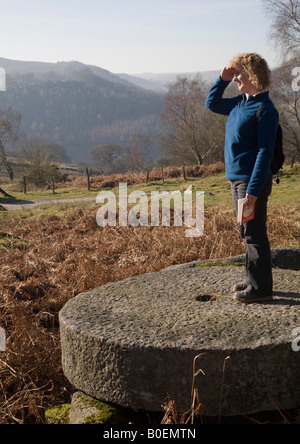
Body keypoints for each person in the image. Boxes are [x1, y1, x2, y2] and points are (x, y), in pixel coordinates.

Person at [205, 53, 279, 304]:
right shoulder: (239, 103)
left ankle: (261, 289)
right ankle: (251, 280)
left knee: (255, 232)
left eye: (239, 73)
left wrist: (254, 189)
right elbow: (211, 104)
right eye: (235, 74)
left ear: (253, 75)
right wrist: (222, 79)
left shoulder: (265, 110)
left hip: (251, 181)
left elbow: (264, 152)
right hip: (236, 179)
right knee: (246, 231)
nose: (236, 77)